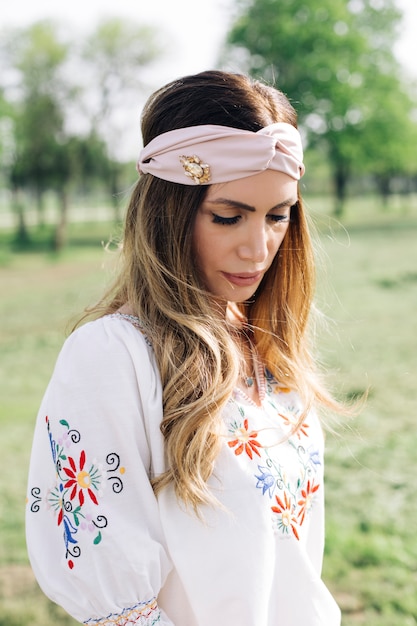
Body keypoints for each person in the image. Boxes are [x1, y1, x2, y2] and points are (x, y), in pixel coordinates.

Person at [26, 70, 343, 625]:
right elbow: (112, 594)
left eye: (278, 216)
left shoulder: (271, 349)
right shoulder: (112, 357)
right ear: (169, 211)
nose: (258, 248)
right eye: (228, 216)